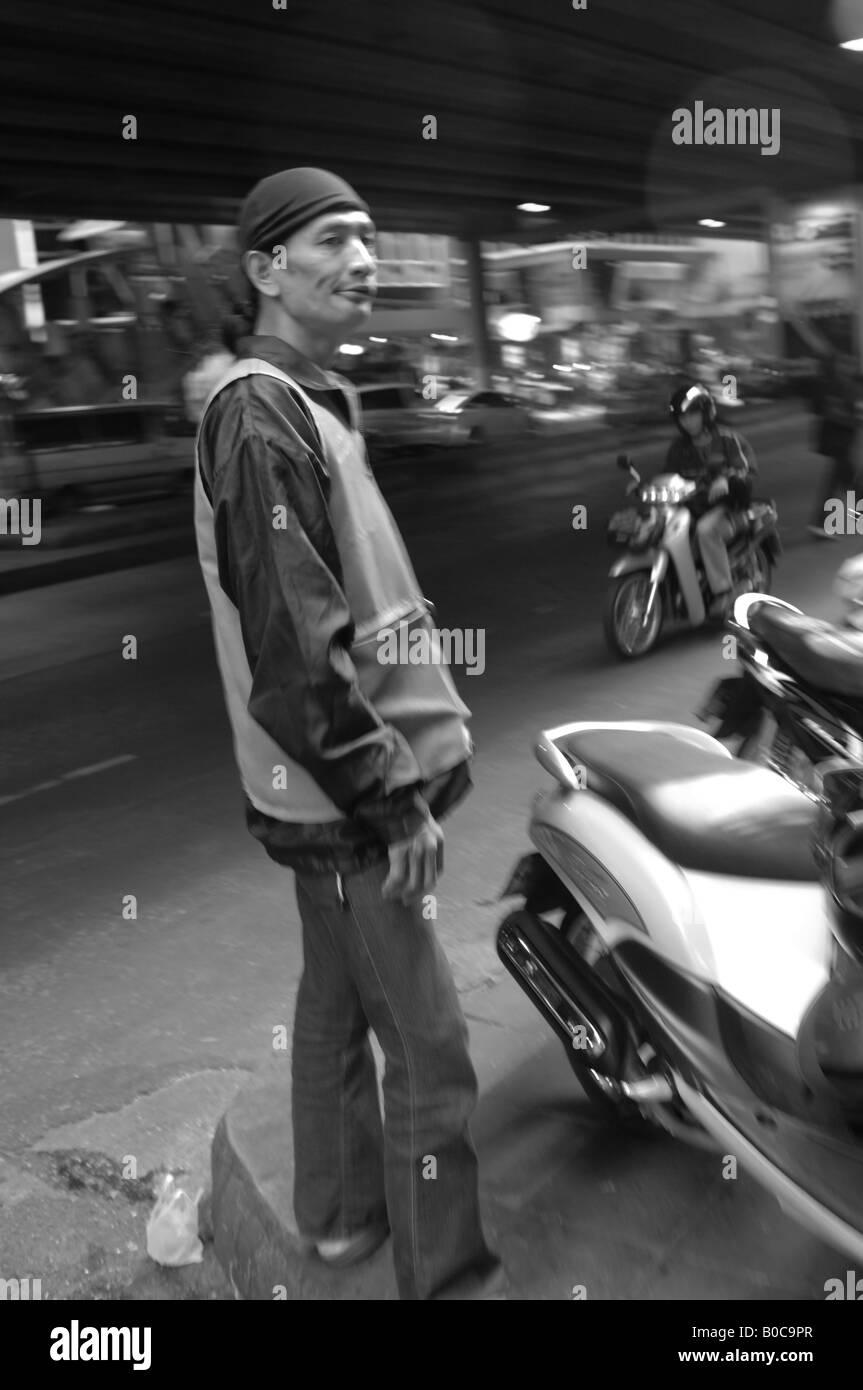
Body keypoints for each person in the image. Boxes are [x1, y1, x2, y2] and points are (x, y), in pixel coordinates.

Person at [193, 167, 505, 1301]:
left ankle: (334, 1218)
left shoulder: (309, 398)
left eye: (373, 235)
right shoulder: (259, 414)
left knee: (332, 1002)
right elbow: (295, 651)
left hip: (327, 795)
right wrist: (394, 799)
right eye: (335, 239)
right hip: (349, 804)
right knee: (430, 1054)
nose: (366, 258)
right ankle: (450, 1278)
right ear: (269, 269)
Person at [665, 381, 758, 618]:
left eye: (692, 415)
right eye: (682, 418)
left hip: (728, 508)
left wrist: (727, 479)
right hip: (694, 507)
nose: (687, 422)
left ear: (705, 414)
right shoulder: (679, 448)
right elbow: (667, 476)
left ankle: (724, 590)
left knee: (706, 531)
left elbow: (747, 469)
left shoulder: (728, 438)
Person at [807, 350, 861, 539]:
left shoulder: (830, 384)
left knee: (846, 480)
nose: (851, 367)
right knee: (844, 481)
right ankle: (820, 524)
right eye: (848, 363)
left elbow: (818, 408)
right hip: (839, 441)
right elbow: (849, 412)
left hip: (835, 441)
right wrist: (854, 418)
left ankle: (822, 523)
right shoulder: (841, 386)